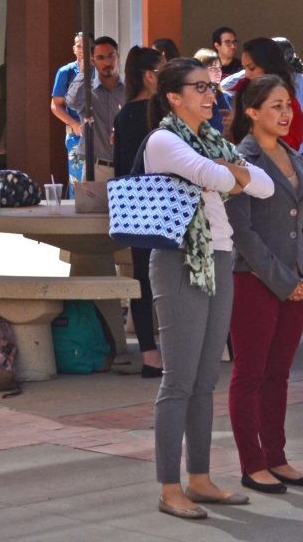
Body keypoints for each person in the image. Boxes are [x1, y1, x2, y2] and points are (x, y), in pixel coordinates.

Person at [145, 58, 273, 519]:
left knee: (205, 379)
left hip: (218, 255)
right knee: (178, 381)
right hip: (181, 258)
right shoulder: (163, 140)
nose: (210, 96)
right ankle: (168, 486)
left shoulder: (212, 140)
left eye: (212, 88)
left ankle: (199, 478)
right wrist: (229, 172)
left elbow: (263, 187)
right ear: (174, 97)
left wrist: (230, 171)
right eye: (199, 87)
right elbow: (219, 178)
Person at [225, 75, 303, 494]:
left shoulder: (295, 157)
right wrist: (285, 282)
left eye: (288, 105)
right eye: (276, 106)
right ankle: (253, 462)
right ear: (251, 112)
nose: (286, 113)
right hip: (254, 281)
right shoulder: (239, 160)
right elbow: (242, 233)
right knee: (250, 373)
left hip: (296, 281)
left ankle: (277, 457)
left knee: (279, 374)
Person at [112, 46, 166, 378]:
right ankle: (174, 346)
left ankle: (149, 353)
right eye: (162, 71)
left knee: (142, 278)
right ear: (149, 76)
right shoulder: (161, 112)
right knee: (173, 276)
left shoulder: (123, 114)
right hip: (167, 199)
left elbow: (120, 167)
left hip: (133, 200)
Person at [220, 37, 303, 152]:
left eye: (252, 68)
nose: (246, 75)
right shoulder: (243, 91)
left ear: (269, 65)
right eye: (245, 68)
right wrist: (230, 127)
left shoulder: (288, 97)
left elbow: (293, 139)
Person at [66, 36, 126, 182]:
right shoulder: (87, 91)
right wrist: (83, 72)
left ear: (117, 57)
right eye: (100, 57)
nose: (107, 62)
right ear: (93, 61)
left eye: (111, 56)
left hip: (126, 166)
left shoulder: (130, 90)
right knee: (91, 206)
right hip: (97, 167)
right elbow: (72, 102)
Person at [271, 36, 303, 153]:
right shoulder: (261, 79)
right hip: (268, 148)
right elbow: (225, 85)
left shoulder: (302, 81)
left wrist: (292, 128)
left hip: (297, 148)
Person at [50, 34, 85, 196]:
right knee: (77, 180)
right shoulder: (66, 72)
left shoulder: (99, 71)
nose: (82, 50)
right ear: (73, 49)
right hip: (76, 135)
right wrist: (74, 124)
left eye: (86, 46)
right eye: (79, 46)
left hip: (100, 133)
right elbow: (56, 106)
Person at [192, 48, 232, 134]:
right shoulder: (196, 99)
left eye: (219, 68)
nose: (218, 72)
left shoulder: (226, 97)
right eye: (213, 68)